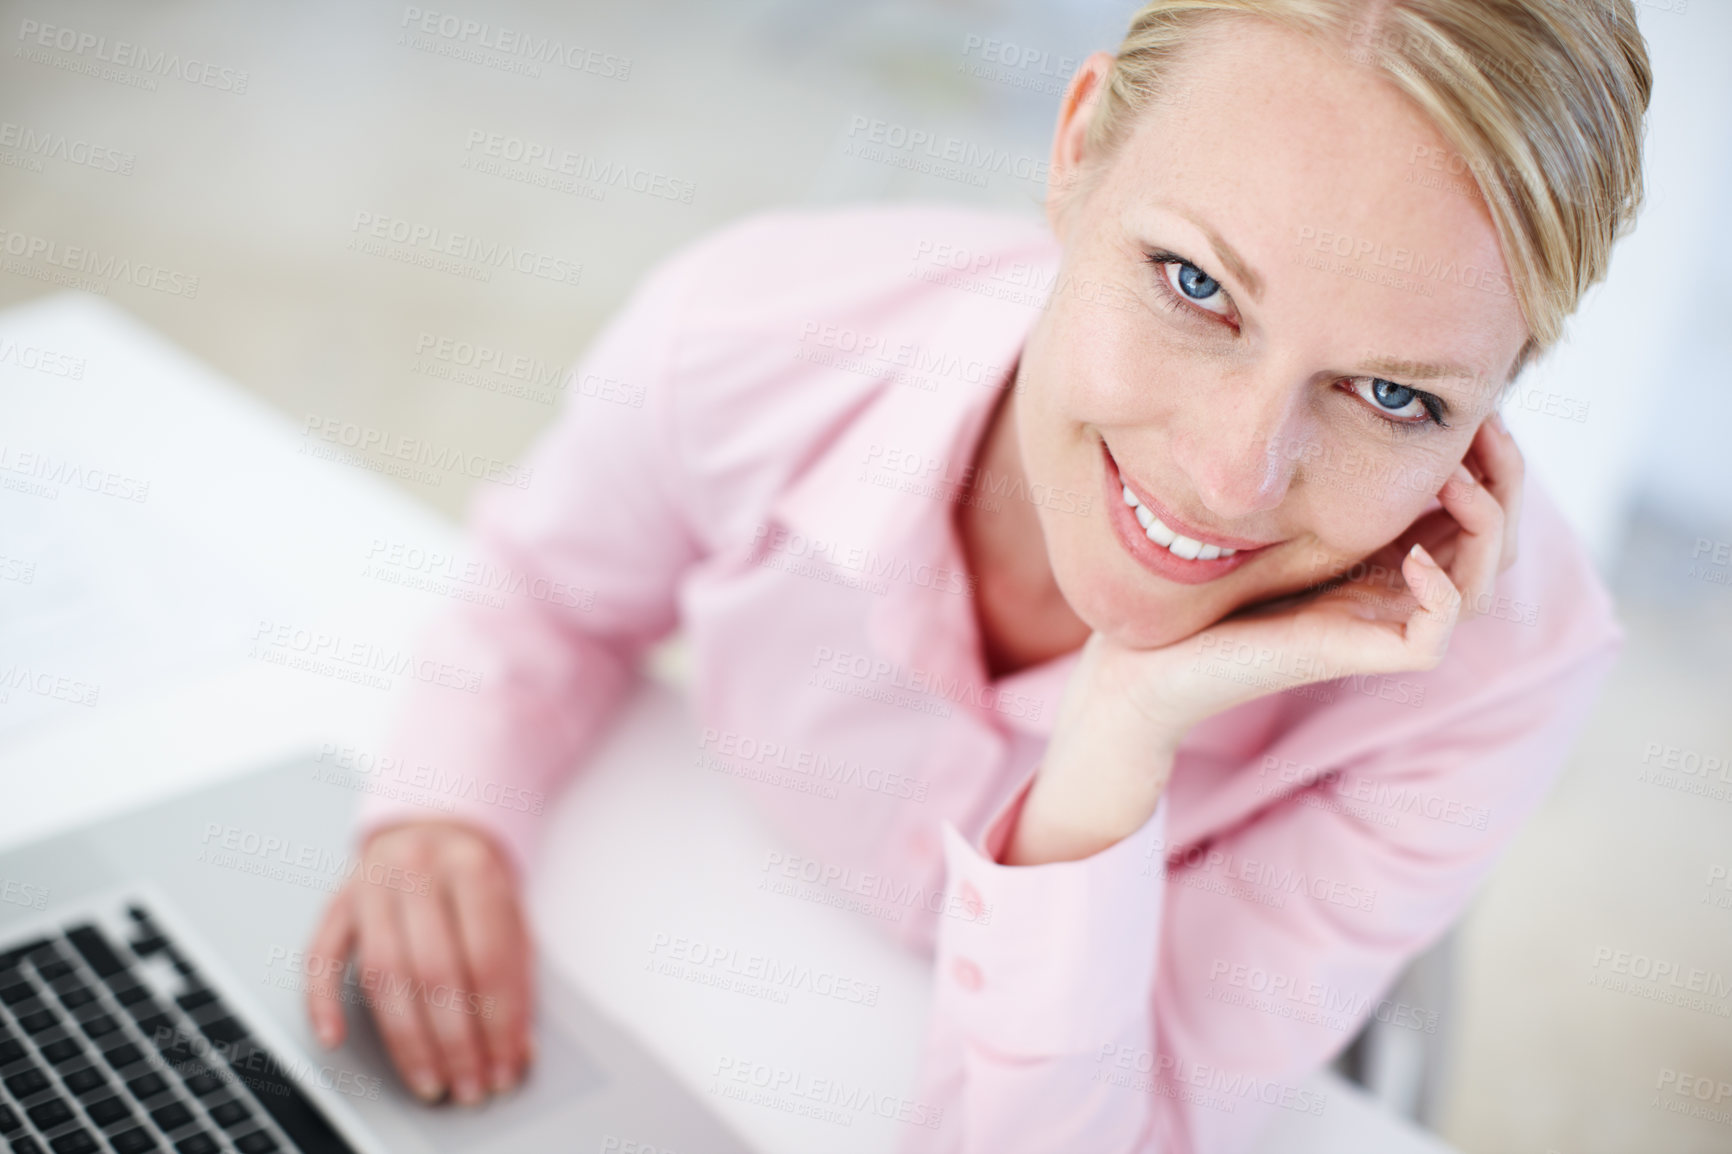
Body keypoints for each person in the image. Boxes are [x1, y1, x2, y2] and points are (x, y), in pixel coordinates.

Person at [301, 0, 1652, 1149]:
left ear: (1499, 405)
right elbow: (548, 588)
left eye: (1392, 394)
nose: (1232, 474)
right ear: (1076, 157)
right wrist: (445, 809)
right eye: (1193, 282)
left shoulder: (1495, 672)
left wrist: (1117, 734)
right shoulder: (750, 332)